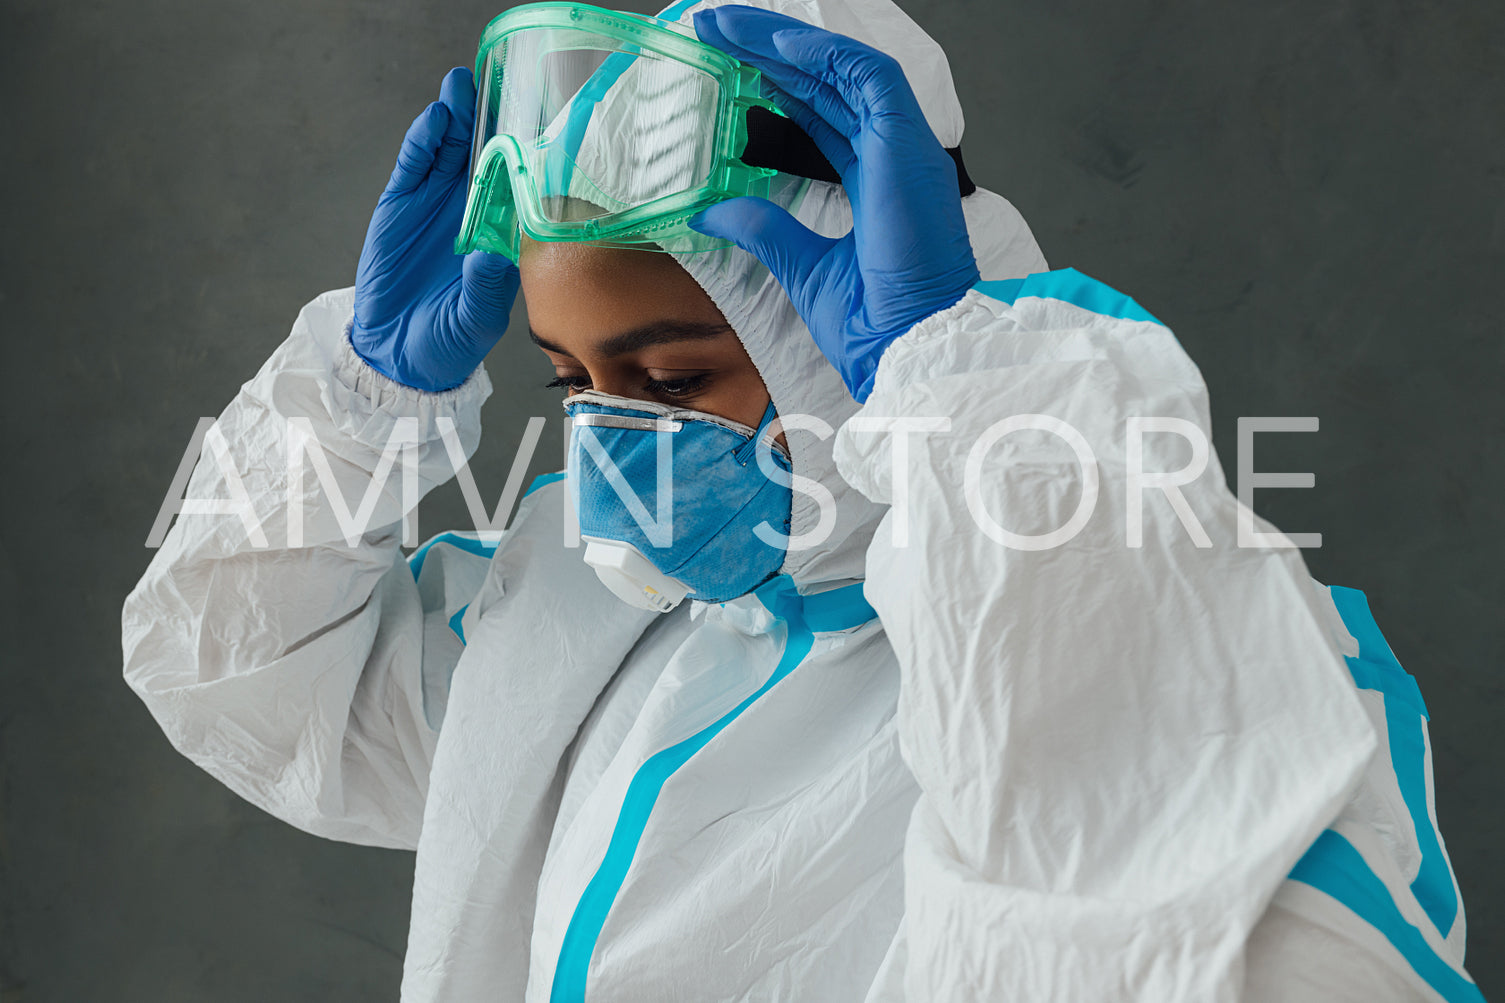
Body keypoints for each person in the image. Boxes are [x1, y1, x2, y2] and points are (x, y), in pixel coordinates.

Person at [121, 0, 1481, 1000]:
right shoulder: (581, 618)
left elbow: (1150, 928)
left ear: (845, 332)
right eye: (568, 379)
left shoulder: (1190, 658)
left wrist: (965, 390)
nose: (609, 443)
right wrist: (357, 400)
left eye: (669, 374)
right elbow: (241, 678)